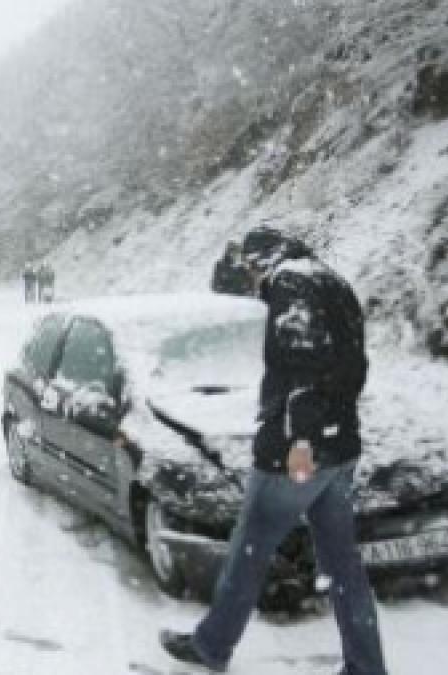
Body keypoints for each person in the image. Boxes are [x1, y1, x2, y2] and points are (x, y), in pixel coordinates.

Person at [160, 225, 386, 675]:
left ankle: (212, 646)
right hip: (340, 446)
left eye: (249, 267)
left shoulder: (290, 284)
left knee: (249, 552)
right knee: (344, 566)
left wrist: (301, 440)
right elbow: (354, 364)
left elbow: (303, 366)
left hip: (298, 453)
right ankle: (366, 665)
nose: (251, 278)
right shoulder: (330, 280)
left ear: (262, 260)